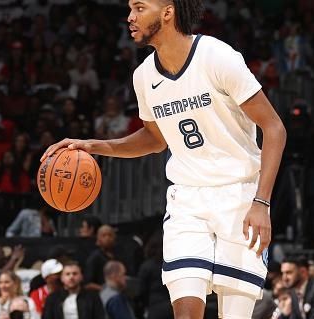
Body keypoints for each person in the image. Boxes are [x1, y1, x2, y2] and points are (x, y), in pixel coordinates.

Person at [41, 0, 287, 318]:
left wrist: (262, 203)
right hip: (186, 199)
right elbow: (156, 139)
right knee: (185, 312)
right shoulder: (144, 76)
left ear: (168, 12)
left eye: (140, 8)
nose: (130, 17)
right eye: (130, 8)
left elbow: (274, 128)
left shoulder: (217, 57)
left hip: (238, 196)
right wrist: (93, 145)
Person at [84, 225, 120, 290]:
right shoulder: (94, 258)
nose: (107, 238)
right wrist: (105, 290)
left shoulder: (119, 255)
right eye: (104, 235)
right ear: (98, 238)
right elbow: (88, 284)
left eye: (110, 235)